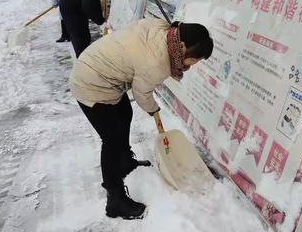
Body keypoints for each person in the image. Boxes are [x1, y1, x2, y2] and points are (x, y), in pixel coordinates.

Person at [69, 19, 214, 220]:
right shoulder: (158, 61)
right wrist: (154, 110)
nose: (193, 65)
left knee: (124, 115)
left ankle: (125, 162)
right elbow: (141, 93)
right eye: (195, 60)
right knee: (112, 140)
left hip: (99, 68)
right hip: (91, 83)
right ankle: (115, 200)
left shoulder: (164, 29)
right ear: (182, 46)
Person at [59, 0, 128, 57]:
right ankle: (83, 65)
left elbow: (93, 1)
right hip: (70, 6)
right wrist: (101, 22)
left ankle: (87, 61)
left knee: (85, 36)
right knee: (79, 37)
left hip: (77, 5)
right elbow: (89, 4)